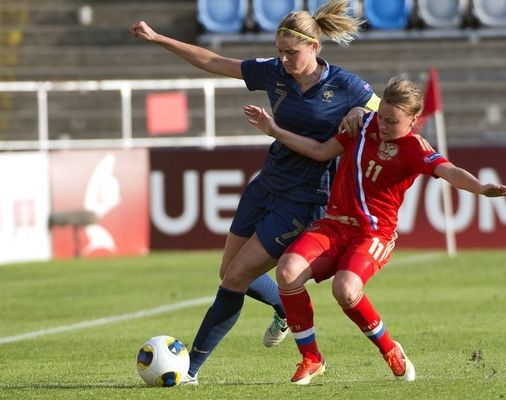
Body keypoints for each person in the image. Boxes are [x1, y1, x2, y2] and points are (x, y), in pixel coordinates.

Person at [129, 0, 381, 384]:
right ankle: (284, 304)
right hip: (266, 185)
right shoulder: (275, 73)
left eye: (291, 53)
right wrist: (158, 37)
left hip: (305, 198)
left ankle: (190, 370)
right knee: (229, 272)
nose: (283, 59)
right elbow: (214, 62)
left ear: (315, 48)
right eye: (279, 51)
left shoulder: (347, 86)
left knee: (233, 281)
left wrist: (365, 115)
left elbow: (393, 118)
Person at [244, 76, 506, 385]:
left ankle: (389, 349)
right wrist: (274, 131)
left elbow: (449, 171)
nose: (383, 125)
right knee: (288, 271)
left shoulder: (415, 148)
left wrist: (482, 188)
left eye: (393, 121)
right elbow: (321, 151)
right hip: (333, 224)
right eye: (382, 116)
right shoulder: (363, 123)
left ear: (414, 120)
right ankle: (311, 358)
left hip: (373, 234)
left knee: (345, 290)